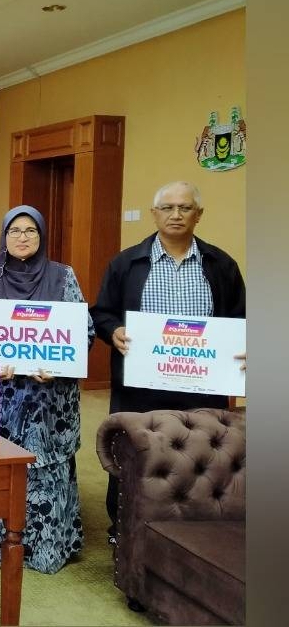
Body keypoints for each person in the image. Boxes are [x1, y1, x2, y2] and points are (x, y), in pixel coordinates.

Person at [91, 181, 246, 544]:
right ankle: (124, 530)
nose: (176, 214)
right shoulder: (126, 263)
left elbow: (241, 319)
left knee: (201, 456)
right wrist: (113, 331)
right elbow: (101, 313)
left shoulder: (221, 265)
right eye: (168, 208)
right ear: (154, 214)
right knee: (137, 454)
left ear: (198, 215)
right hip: (141, 386)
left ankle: (198, 531)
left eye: (185, 208)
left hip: (203, 384)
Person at [0, 205, 93, 573]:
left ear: (42, 236)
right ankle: (1, 545)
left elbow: (84, 333)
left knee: (49, 472)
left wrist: (59, 368)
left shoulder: (63, 276)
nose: (22, 237)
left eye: (31, 230)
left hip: (51, 402)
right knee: (4, 470)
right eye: (14, 230)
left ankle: (49, 548)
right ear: (4, 236)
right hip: (3, 399)